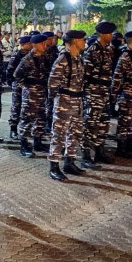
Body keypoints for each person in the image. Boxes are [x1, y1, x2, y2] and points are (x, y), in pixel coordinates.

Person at [47, 30, 87, 182]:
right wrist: (56, 100)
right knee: (59, 134)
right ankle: (54, 166)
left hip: (77, 101)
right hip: (64, 101)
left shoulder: (78, 58)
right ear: (75, 42)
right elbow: (52, 84)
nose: (85, 42)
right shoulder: (63, 59)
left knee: (75, 133)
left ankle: (70, 161)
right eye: (82, 39)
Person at [82, 21, 116, 167]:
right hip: (94, 92)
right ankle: (85, 156)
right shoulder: (93, 50)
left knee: (103, 123)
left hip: (104, 92)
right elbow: (85, 75)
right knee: (91, 123)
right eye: (110, 34)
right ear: (102, 34)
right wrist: (88, 95)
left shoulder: (106, 50)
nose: (112, 36)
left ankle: (99, 150)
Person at [14, 34, 49, 158]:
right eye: (42, 44)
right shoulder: (27, 59)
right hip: (31, 93)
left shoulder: (43, 57)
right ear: (34, 45)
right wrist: (26, 86)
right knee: (27, 119)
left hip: (41, 92)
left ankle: (37, 142)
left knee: (40, 118)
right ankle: (24, 145)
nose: (45, 46)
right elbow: (17, 75)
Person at [112, 30, 132, 157]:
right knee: (125, 121)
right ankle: (121, 147)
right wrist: (114, 96)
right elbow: (117, 77)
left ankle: (130, 144)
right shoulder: (126, 56)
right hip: (126, 93)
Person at [6, 35, 32, 141]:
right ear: (23, 45)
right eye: (29, 43)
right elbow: (10, 70)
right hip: (18, 84)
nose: (31, 45)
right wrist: (12, 83)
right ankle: (13, 130)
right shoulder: (17, 55)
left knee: (25, 108)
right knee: (16, 107)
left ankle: (24, 130)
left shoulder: (31, 55)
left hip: (26, 85)